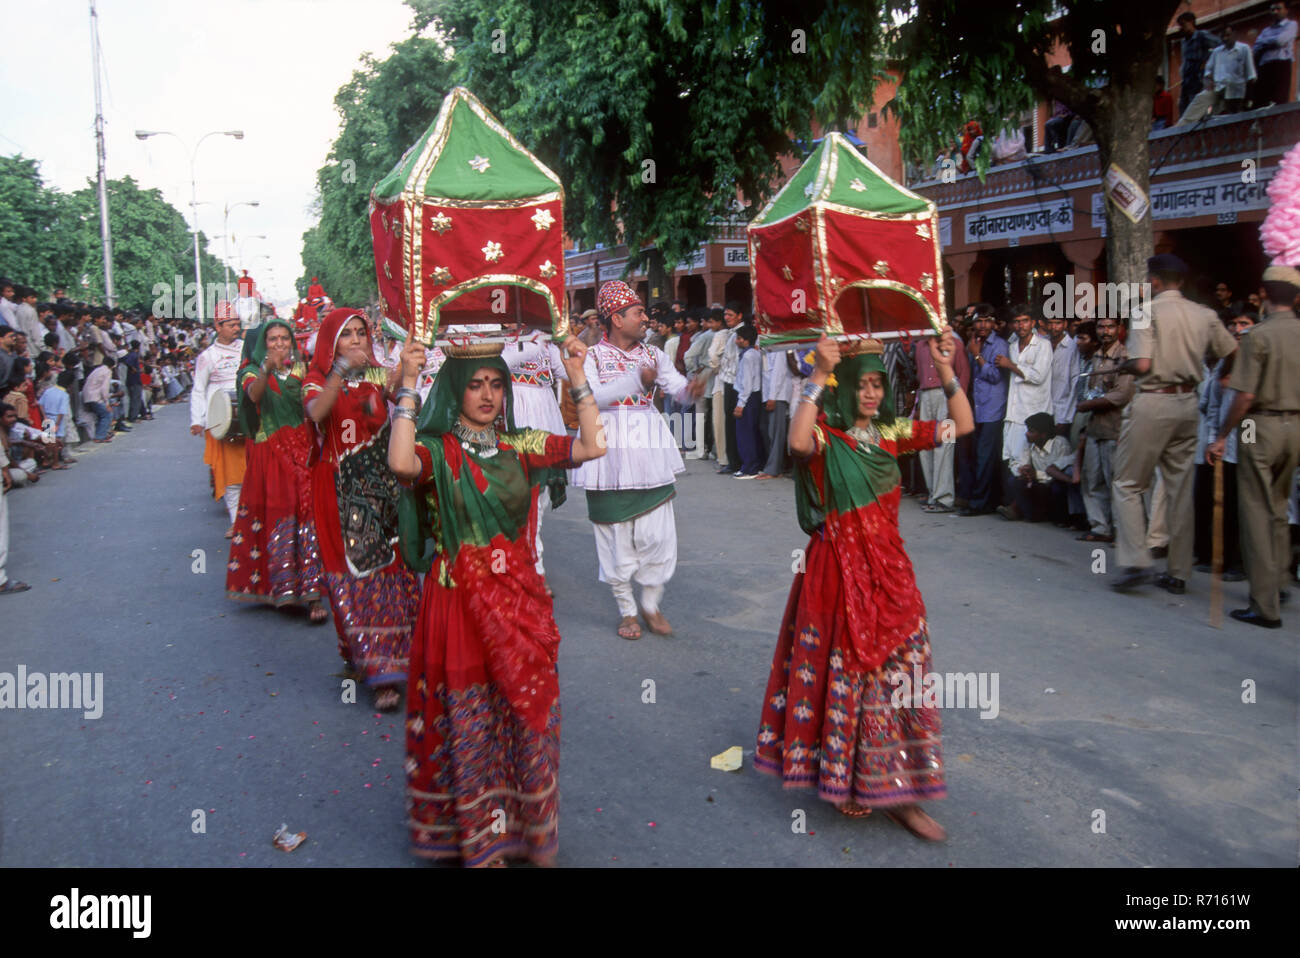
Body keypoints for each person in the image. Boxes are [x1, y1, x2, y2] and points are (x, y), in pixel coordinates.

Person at [389, 331, 606, 867]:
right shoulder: (437, 450)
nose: (487, 395)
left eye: (495, 385)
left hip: (517, 600)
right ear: (456, 391)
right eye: (475, 386)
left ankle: (527, 827)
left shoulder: (521, 445)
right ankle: (479, 837)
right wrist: (409, 385)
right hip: (457, 603)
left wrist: (577, 375)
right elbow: (398, 464)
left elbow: (591, 447)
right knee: (470, 718)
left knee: (522, 710)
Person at [756, 331, 974, 840]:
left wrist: (945, 368)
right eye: (862, 384)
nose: (872, 393)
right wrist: (817, 373)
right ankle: (851, 781)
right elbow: (795, 441)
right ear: (845, 386)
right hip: (835, 575)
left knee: (904, 675)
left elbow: (963, 425)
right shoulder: (828, 438)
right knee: (850, 678)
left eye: (879, 384)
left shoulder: (893, 433)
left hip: (891, 575)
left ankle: (900, 791)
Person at [570, 280, 705, 640]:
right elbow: (593, 398)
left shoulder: (654, 355)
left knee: (657, 530)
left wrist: (689, 391)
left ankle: (651, 602)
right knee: (614, 532)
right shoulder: (591, 356)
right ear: (616, 319)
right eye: (638, 312)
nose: (645, 318)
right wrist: (634, 380)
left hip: (648, 445)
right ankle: (627, 610)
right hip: (606, 447)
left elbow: (675, 387)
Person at [304, 308, 420, 711]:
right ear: (331, 343)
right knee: (353, 574)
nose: (356, 340)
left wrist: (406, 370)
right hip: (337, 490)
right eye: (347, 335)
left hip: (381, 490)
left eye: (361, 333)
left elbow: (402, 395)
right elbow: (317, 412)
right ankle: (372, 668)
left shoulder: (377, 374)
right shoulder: (317, 379)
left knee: (391, 568)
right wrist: (339, 370)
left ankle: (395, 660)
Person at [1112, 254, 1238, 595]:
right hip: (1188, 403)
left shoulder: (1146, 311)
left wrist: (1122, 367)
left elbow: (1142, 364)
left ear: (1154, 280)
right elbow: (1233, 351)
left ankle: (1137, 561)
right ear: (1181, 282)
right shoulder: (1205, 314)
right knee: (1180, 490)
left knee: (1127, 483)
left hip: (1154, 399)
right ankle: (1179, 573)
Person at [1207, 266, 1300, 628]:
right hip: (1295, 426)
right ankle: (1277, 583)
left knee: (1257, 513)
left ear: (1263, 294)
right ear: (1295, 297)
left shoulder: (1257, 337)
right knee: (1278, 506)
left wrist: (1221, 435)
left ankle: (1264, 606)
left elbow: (1244, 396)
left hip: (1257, 425)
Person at [224, 320, 328, 623]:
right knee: (279, 513)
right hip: (269, 454)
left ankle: (311, 594)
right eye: (273, 339)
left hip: (302, 450)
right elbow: (255, 396)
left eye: (285, 338)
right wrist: (267, 368)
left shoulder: (299, 371)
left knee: (308, 513)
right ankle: (282, 587)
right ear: (263, 344)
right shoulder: (251, 371)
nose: (280, 343)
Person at [504, 332, 569, 581]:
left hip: (544, 424)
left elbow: (566, 371)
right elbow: (503, 363)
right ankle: (518, 569)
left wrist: (566, 344)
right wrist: (536, 343)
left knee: (537, 506)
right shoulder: (494, 338)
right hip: (511, 426)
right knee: (513, 505)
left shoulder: (545, 342)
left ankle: (535, 571)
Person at [1075, 318, 1133, 543]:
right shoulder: (1096, 355)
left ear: (1119, 329)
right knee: (1092, 479)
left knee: (1116, 482)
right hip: (1094, 427)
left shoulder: (1124, 357)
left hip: (1116, 428)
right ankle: (1100, 527)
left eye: (1110, 326)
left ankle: (1121, 531)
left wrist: (1088, 405)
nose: (1105, 331)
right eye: (1101, 327)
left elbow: (1121, 395)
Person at [190, 306, 246, 536]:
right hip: (221, 421)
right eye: (231, 324)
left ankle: (253, 519)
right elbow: (198, 389)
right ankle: (237, 521)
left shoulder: (247, 350)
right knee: (232, 476)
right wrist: (197, 420)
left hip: (249, 418)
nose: (236, 328)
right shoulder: (207, 357)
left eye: (237, 323)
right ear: (218, 327)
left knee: (252, 470)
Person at [915, 320, 971, 512]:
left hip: (944, 395)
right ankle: (933, 494)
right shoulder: (921, 345)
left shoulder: (953, 343)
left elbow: (963, 374)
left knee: (944, 446)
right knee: (925, 444)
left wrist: (955, 403)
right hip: (925, 396)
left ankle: (943, 498)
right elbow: (918, 376)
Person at [998, 305, 1053, 501]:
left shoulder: (1043, 345)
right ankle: (1016, 505)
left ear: (1033, 323)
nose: (1020, 325)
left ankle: (1028, 507)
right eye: (1016, 321)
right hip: (1014, 411)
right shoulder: (1011, 346)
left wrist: (1010, 365)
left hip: (1033, 412)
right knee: (1013, 459)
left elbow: (1038, 377)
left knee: (1032, 462)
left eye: (1024, 321)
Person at [999, 412, 1077, 522]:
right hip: (1038, 484)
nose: (1026, 434)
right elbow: (1018, 463)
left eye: (1031, 431)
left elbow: (1059, 473)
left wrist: (1036, 474)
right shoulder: (1030, 444)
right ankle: (1031, 515)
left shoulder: (1060, 444)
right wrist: (1022, 470)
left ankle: (1060, 517)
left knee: (1057, 487)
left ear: (1043, 435)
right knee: (1014, 480)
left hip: (1054, 483)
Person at [1204, 25, 1257, 116]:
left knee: (1238, 118)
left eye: (1228, 35)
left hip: (1238, 93)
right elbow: (1208, 71)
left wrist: (1249, 98)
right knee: (1220, 119)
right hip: (1221, 92)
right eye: (1223, 36)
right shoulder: (1217, 52)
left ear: (1234, 34)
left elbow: (1251, 75)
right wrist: (1213, 80)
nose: (1225, 38)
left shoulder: (1244, 49)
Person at [1253, 2, 1297, 108]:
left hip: (1281, 64)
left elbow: (1280, 41)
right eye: (1272, 9)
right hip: (1265, 66)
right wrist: (1272, 41)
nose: (1275, 12)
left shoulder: (1291, 25)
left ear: (1286, 10)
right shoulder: (1266, 30)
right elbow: (1256, 47)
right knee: (1261, 100)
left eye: (1278, 9)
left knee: (1280, 99)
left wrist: (1265, 42)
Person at [1178, 12, 1221, 114]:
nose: (1182, 28)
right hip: (1186, 81)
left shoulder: (1202, 36)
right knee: (1183, 109)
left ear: (1191, 22)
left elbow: (1220, 46)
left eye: (1183, 24)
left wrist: (1207, 62)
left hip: (1198, 79)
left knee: (1197, 109)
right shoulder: (1184, 42)